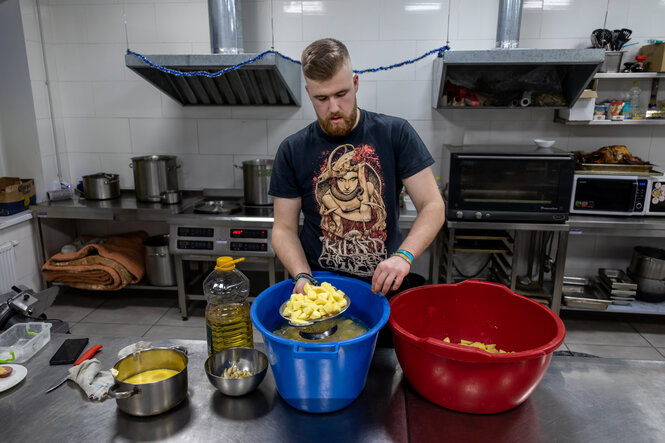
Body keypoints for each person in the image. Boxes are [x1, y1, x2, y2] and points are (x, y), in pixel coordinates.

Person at [269, 37, 445, 298]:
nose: (334, 108)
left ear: (355, 83)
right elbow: (284, 228)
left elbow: (433, 205)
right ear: (308, 93)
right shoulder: (292, 150)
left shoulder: (395, 134)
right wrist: (302, 274)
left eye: (341, 94)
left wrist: (404, 256)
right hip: (320, 289)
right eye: (321, 98)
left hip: (384, 286)